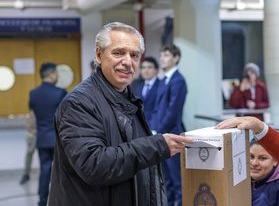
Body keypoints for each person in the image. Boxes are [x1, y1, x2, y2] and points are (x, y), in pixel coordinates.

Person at [48, 22, 193, 206]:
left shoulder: (127, 97)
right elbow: (94, 165)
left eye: (134, 55)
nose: (127, 62)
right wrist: (155, 146)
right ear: (99, 55)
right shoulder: (79, 103)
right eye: (118, 53)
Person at [150, 44, 187, 206]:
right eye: (161, 55)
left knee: (177, 178)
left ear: (176, 58)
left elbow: (173, 112)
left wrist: (158, 130)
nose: (162, 59)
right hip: (161, 135)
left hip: (172, 134)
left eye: (166, 55)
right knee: (166, 179)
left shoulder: (178, 80)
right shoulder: (164, 80)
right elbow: (157, 109)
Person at [29, 62, 68, 206]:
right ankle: (62, 200)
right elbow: (67, 116)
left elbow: (32, 117)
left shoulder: (33, 94)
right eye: (56, 73)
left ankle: (42, 201)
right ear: (52, 75)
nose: (57, 76)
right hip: (59, 139)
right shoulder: (60, 92)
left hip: (42, 138)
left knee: (45, 171)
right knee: (63, 171)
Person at [133, 56, 160, 126]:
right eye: (143, 67)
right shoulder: (137, 85)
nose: (146, 70)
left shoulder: (162, 85)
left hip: (156, 127)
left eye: (149, 67)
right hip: (139, 125)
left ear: (156, 70)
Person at [19, 110, 37, 185]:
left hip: (44, 133)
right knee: (29, 153)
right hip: (33, 133)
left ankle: (50, 175)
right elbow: (29, 123)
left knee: (48, 155)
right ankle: (26, 173)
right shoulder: (33, 108)